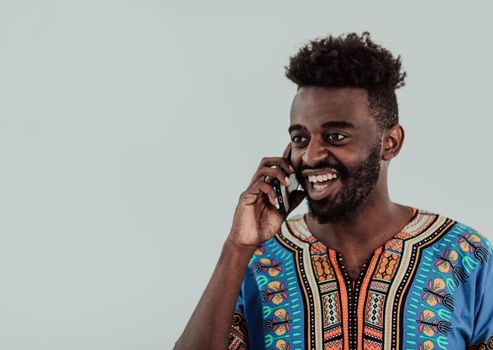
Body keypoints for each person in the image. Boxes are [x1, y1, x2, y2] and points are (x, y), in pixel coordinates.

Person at [174, 32, 493, 350]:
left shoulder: (465, 257)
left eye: (336, 136)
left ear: (390, 143)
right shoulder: (257, 262)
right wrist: (237, 247)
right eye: (300, 138)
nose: (311, 156)